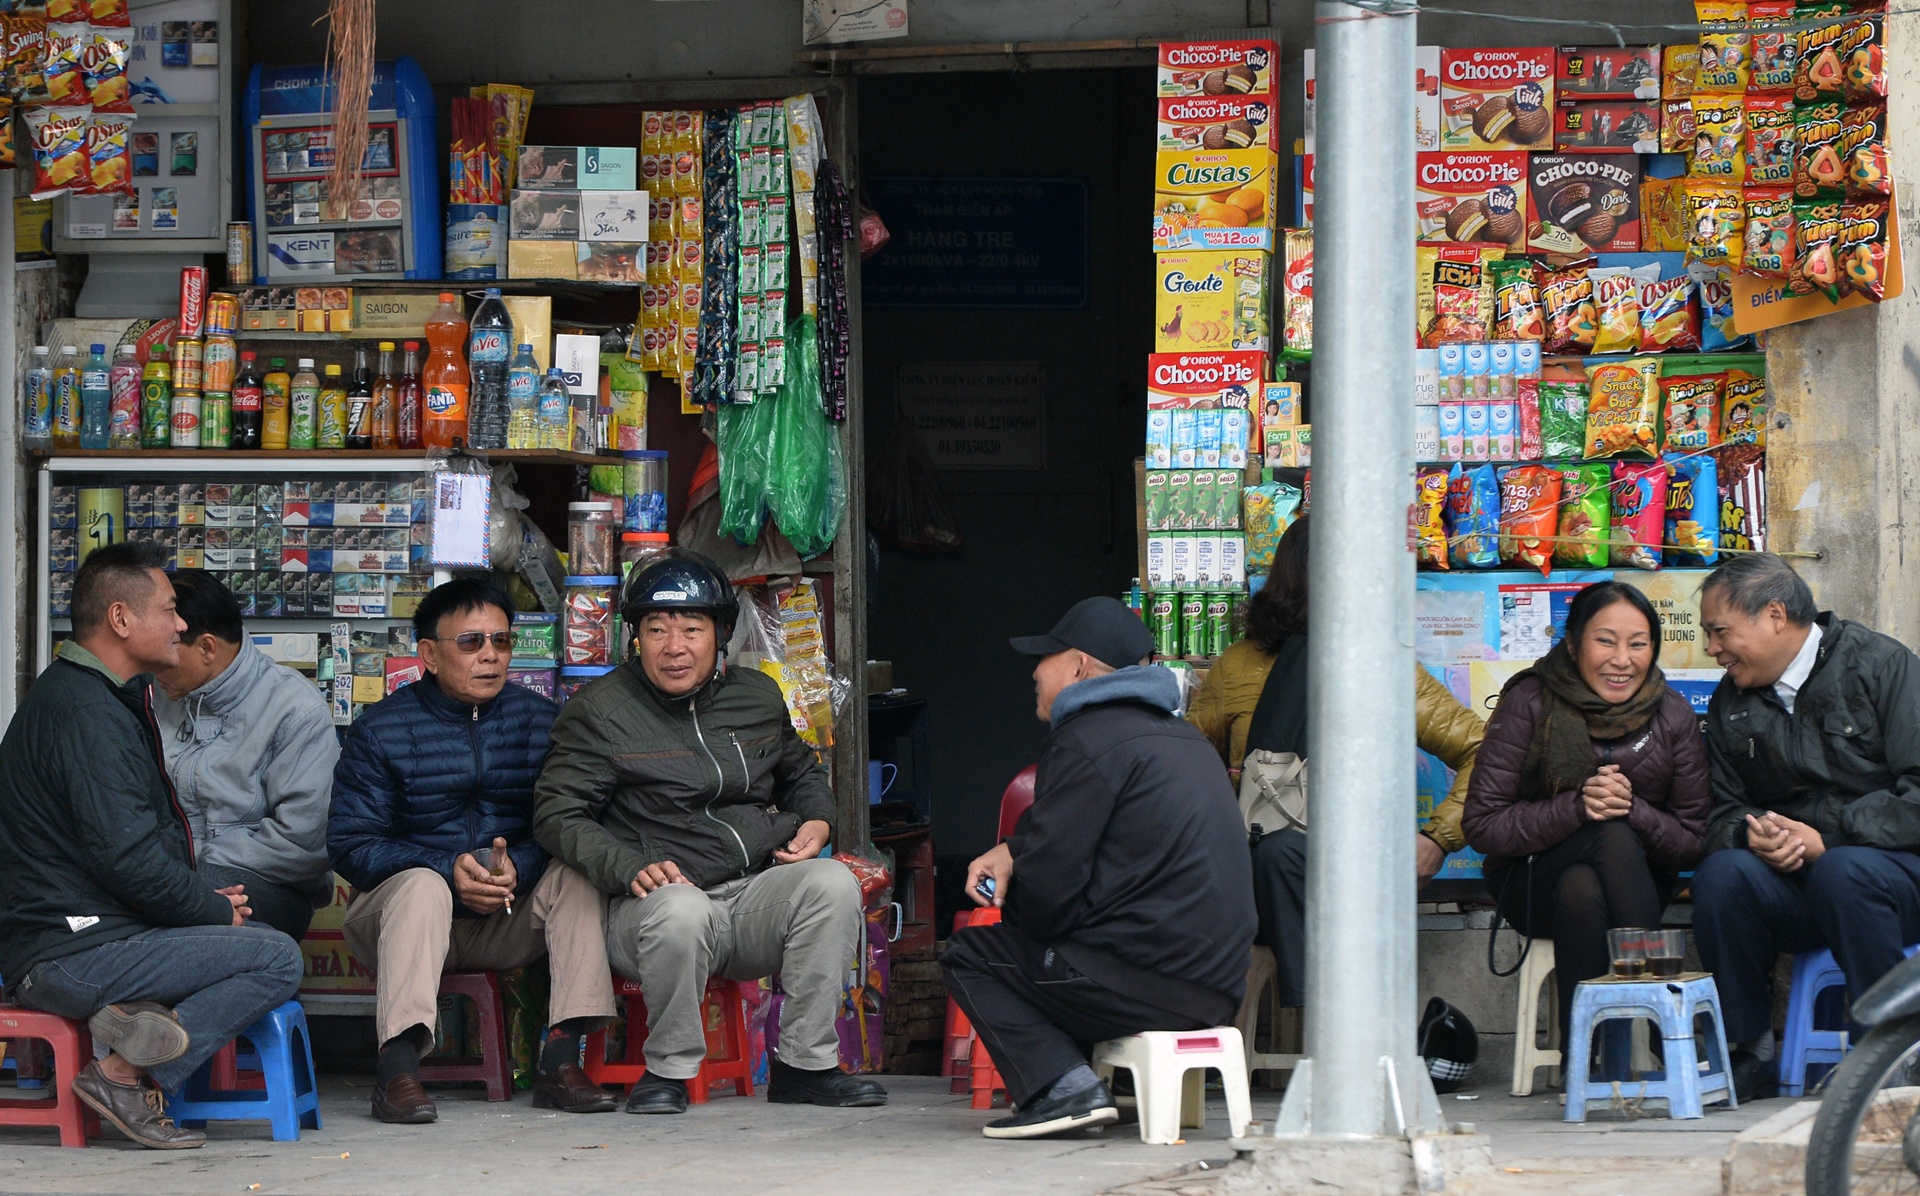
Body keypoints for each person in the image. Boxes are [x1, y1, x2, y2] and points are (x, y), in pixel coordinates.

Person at [534, 549, 887, 1115]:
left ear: (720, 634)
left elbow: (801, 773)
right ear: (635, 637)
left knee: (831, 884)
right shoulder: (600, 711)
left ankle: (805, 1065)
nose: (674, 647)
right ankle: (667, 1072)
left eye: (691, 629)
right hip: (646, 911)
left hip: (746, 898)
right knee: (682, 909)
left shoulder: (756, 696)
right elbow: (557, 813)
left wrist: (819, 820)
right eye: (656, 630)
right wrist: (626, 866)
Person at [0, 542, 303, 1150]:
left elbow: (123, 852)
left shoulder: (95, 696)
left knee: (243, 927)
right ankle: (121, 1073)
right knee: (275, 957)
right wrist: (216, 913)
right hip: (67, 950)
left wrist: (204, 901)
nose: (182, 623)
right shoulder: (85, 712)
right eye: (168, 609)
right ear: (120, 619)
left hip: (88, 934)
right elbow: (127, 859)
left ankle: (133, 1026)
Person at [942, 597, 1255, 1139]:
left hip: (1146, 985)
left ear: (1080, 666)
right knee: (1065, 944)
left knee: (973, 954)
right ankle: (1083, 1079)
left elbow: (1048, 898)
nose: (1035, 672)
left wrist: (1012, 895)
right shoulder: (1184, 739)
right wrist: (1017, 849)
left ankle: (1061, 1090)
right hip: (1217, 990)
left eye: (1046, 658)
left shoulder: (1083, 739)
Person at [328, 578, 617, 1124]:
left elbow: (572, 822)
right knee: (420, 883)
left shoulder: (541, 722)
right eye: (471, 643)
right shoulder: (381, 730)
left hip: (503, 919)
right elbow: (350, 844)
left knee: (577, 873)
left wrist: (518, 869)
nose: (490, 656)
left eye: (501, 643)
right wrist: (445, 869)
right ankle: (396, 1072)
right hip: (399, 921)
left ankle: (560, 1060)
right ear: (429, 655)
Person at [1187, 514, 1486, 1007]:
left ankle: (1327, 1025)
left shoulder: (1384, 666)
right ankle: (1334, 1028)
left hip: (1359, 871)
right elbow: (1186, 764)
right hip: (1262, 871)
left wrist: (1438, 839)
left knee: (1305, 857)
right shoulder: (1240, 665)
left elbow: (1486, 749)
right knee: (1281, 852)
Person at [1690, 553, 1920, 1099]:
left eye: (1720, 632)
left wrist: (1830, 838)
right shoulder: (1730, 703)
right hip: (1804, 893)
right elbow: (1720, 811)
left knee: (1845, 868)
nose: (1712, 648)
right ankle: (1746, 1051)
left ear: (1774, 615)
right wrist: (1752, 834)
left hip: (1895, 883)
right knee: (1723, 876)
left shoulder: (1883, 667)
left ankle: (1883, 1056)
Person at [1462, 581, 1709, 1045]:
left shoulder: (1672, 714)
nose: (1623, 659)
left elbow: (1694, 838)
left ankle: (1588, 1062)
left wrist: (1633, 809)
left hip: (1638, 883)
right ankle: (1665, 1027)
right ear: (1573, 643)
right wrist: (1578, 808)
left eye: (1638, 644)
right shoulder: (1530, 701)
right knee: (1605, 835)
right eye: (1605, 641)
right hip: (1532, 882)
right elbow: (1483, 825)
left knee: (1586, 882)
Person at [154, 569, 339, 941]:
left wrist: (186, 863)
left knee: (196, 887)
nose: (156, 666)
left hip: (271, 888)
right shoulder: (153, 696)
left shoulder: (294, 708)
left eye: (169, 653)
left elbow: (303, 842)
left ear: (207, 647)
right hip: (170, 875)